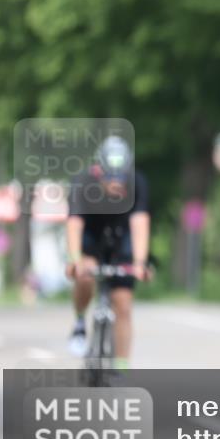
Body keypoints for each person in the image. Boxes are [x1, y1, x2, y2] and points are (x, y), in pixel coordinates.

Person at [65, 136, 151, 370]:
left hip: (121, 236)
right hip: (91, 235)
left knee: (123, 304)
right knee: (84, 274)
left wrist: (140, 262)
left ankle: (122, 368)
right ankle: (80, 322)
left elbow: (140, 223)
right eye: (110, 178)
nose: (116, 184)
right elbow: (74, 224)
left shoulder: (137, 183)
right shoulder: (82, 182)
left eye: (120, 178)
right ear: (98, 170)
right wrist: (74, 260)